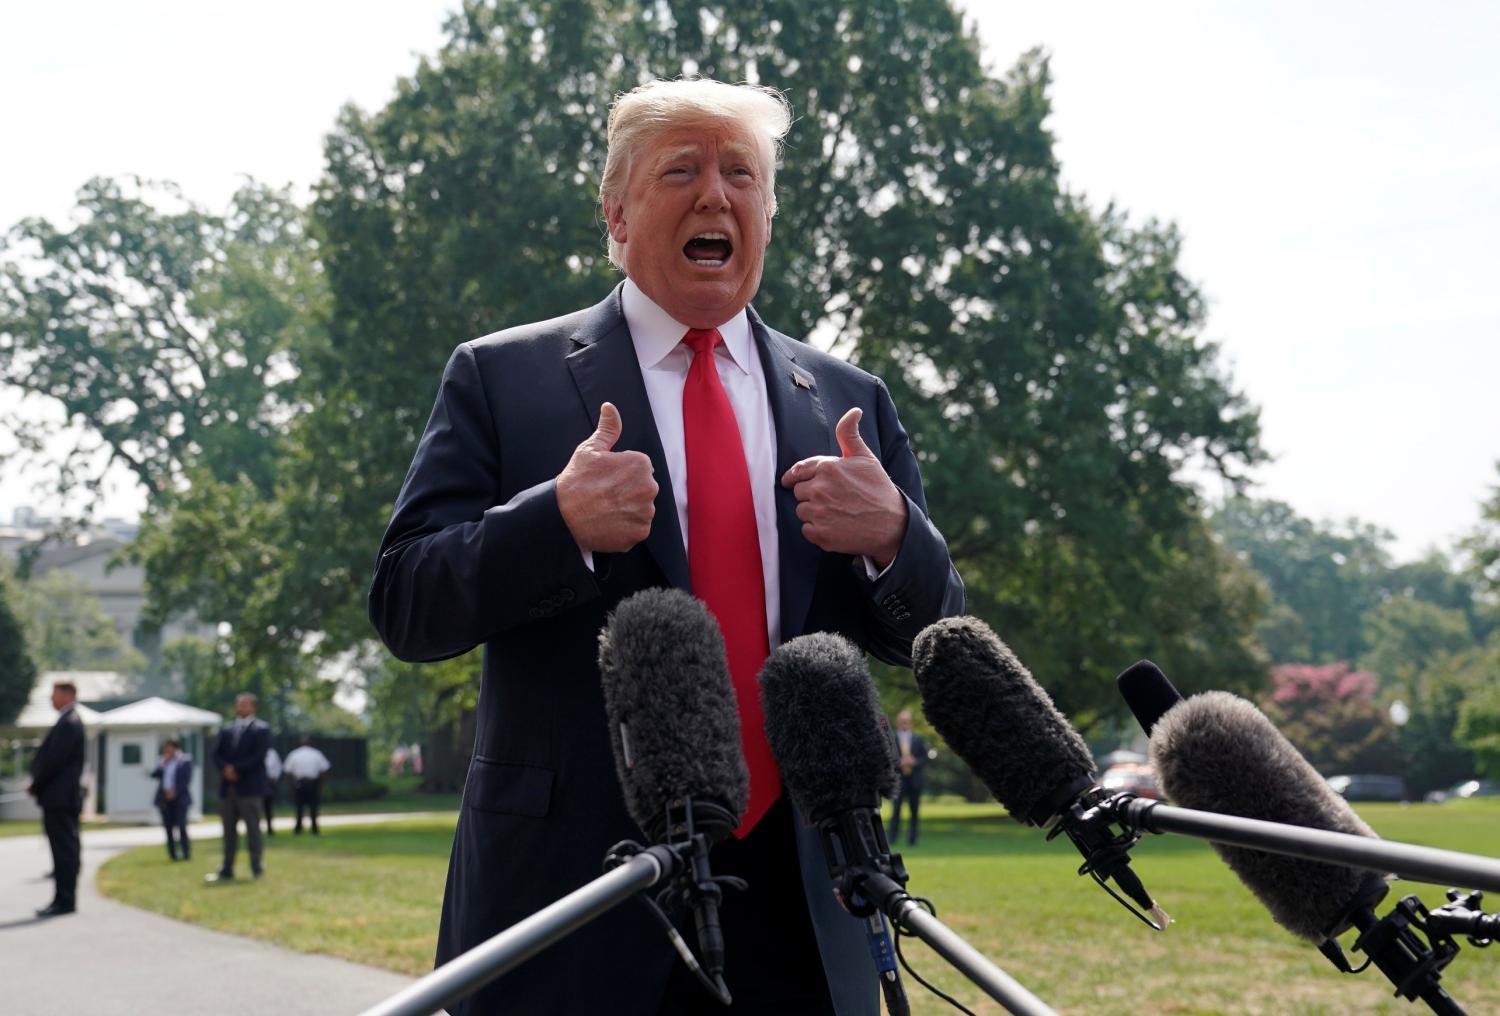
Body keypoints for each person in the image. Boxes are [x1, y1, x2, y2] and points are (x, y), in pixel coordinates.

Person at [368, 78, 964, 1016]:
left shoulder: (849, 398)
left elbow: (937, 635)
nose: (715, 196)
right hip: (575, 902)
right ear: (614, 211)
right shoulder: (500, 377)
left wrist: (896, 538)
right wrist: (551, 521)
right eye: (680, 171)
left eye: (742, 175)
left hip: (806, 908)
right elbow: (406, 602)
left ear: (767, 210)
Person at [27, 680, 85, 917]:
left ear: (68, 694)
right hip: (59, 797)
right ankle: (62, 898)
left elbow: (54, 761)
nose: (52, 699)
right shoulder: (67, 721)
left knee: (64, 850)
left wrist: (36, 784)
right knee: (62, 850)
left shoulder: (69, 722)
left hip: (60, 798)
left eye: (55, 694)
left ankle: (65, 900)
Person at [207, 692, 272, 883]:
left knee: (253, 830)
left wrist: (236, 769)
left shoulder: (261, 730)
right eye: (238, 704)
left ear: (253, 707)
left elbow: (258, 756)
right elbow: (216, 754)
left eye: (244, 704)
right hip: (228, 789)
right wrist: (225, 769)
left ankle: (256, 867)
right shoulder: (227, 730)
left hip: (250, 788)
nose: (240, 707)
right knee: (228, 830)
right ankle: (227, 868)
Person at [887, 710, 932, 847]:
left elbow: (926, 758)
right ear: (898, 722)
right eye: (902, 721)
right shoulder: (891, 738)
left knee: (914, 811)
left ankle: (912, 840)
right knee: (896, 811)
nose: (904, 723)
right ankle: (892, 839)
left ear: (910, 722)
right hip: (899, 781)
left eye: (906, 721)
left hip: (914, 781)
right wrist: (898, 762)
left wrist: (914, 761)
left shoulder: (918, 739)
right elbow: (887, 757)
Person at [150, 738, 193, 862]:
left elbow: (186, 780)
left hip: (180, 798)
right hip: (164, 799)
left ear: (176, 748)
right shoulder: (163, 761)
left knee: (181, 825)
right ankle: (173, 854)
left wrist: (174, 792)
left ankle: (186, 853)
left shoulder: (184, 761)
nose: (167, 750)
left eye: (170, 747)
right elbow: (154, 775)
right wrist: (162, 763)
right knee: (168, 827)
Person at [283, 735, 331, 835]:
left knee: (299, 808)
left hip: (299, 784)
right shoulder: (317, 754)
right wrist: (322, 785)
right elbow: (324, 770)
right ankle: (314, 828)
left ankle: (298, 828)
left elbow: (287, 771)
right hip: (312, 783)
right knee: (313, 807)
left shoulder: (294, 754)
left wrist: (291, 785)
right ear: (310, 743)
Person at [263, 744, 283, 837]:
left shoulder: (272, 753)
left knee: (268, 807)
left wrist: (274, 778)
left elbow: (278, 767)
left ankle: (269, 828)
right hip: (254, 783)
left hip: (267, 782)